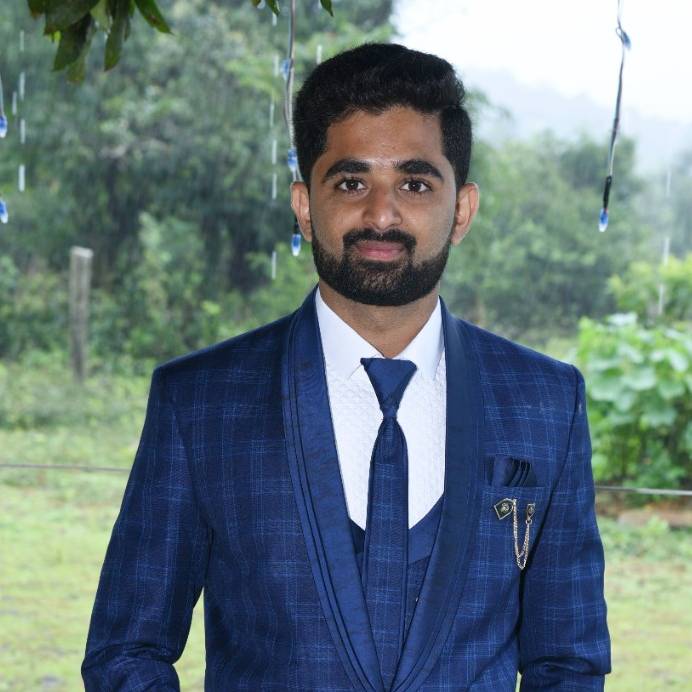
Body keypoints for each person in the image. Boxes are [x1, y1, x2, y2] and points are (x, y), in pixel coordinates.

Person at [82, 43, 611, 691]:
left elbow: (569, 662)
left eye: (415, 184)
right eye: (351, 183)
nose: (381, 215)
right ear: (305, 206)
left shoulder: (546, 402)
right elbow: (127, 651)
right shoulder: (201, 402)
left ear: (462, 210)